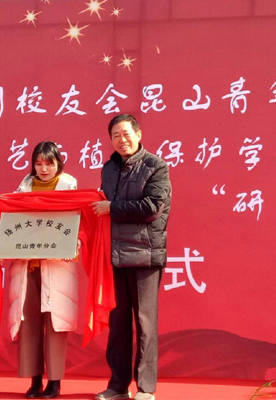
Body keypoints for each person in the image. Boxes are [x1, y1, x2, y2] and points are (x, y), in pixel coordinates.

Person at [92, 114, 171, 400]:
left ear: (138, 134)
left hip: (145, 255)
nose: (121, 140)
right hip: (115, 256)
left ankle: (146, 388)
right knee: (118, 324)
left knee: (145, 324)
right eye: (115, 135)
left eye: (126, 133)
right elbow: (101, 206)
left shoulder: (155, 166)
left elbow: (152, 207)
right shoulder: (109, 168)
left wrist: (112, 208)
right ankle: (118, 386)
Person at [8, 141, 78, 399]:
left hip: (58, 266)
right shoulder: (23, 188)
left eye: (49, 163)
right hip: (27, 266)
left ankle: (55, 382)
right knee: (29, 324)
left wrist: (74, 243)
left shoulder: (70, 188)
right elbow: (10, 222)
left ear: (59, 163)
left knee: (56, 324)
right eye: (38, 163)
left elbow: (79, 225)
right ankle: (34, 380)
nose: (44, 169)